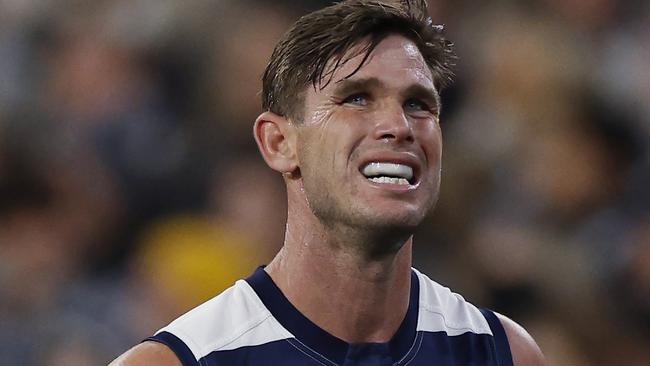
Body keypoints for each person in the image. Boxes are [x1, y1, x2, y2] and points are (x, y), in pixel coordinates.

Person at [110, 0, 546, 365]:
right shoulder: (177, 361)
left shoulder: (501, 352)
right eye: (357, 98)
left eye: (418, 104)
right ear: (279, 142)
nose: (399, 125)